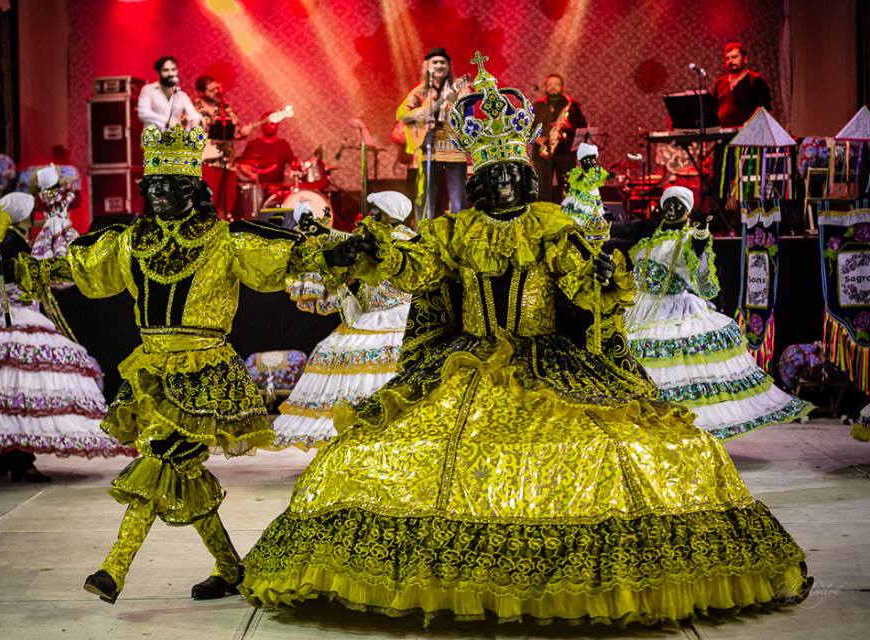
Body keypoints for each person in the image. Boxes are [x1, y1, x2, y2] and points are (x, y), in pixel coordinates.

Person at [241, 53, 810, 625]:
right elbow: (417, 267)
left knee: (622, 448)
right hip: (465, 362)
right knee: (380, 453)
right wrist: (376, 252)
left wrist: (602, 276)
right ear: (480, 182)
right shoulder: (452, 231)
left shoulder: (551, 225)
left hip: (549, 360)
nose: (506, 184)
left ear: (527, 176)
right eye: (495, 177)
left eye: (514, 174)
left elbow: (582, 284)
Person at [15, 123, 327, 605]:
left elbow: (286, 258)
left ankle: (114, 569)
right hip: (152, 370)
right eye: (153, 185)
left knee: (159, 459)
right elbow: (82, 268)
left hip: (205, 374)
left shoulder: (224, 240)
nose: (158, 192)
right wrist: (27, 267)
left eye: (169, 184)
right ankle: (231, 568)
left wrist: (333, 251)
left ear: (191, 189)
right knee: (181, 471)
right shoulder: (130, 241)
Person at [0, 193, 125, 482]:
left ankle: (13, 456)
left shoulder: (0, 238)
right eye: (31, 213)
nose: (34, 218)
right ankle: (20, 459)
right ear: (24, 215)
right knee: (24, 390)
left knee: (10, 391)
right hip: (16, 315)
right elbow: (25, 279)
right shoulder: (15, 242)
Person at [624, 186, 812, 439]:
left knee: (675, 369)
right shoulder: (650, 239)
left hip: (673, 312)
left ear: (687, 211)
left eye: (678, 205)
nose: (672, 209)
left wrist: (702, 234)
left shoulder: (689, 238)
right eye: (668, 204)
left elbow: (699, 254)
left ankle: (681, 428)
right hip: (641, 309)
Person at [273, 192, 416, 449]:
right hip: (371, 315)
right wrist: (319, 231)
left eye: (376, 211)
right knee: (333, 350)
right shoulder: (377, 238)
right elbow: (347, 240)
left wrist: (322, 232)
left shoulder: (403, 241)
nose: (370, 215)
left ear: (389, 214)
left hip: (396, 317)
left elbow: (356, 242)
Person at [396, 47, 471, 220]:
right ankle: (425, 232)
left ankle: (457, 231)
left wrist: (463, 105)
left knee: (458, 201)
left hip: (454, 148)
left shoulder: (459, 89)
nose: (439, 65)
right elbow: (401, 114)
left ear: (448, 66)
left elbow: (469, 116)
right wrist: (419, 114)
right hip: (429, 148)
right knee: (426, 200)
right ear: (427, 67)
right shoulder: (420, 91)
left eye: (442, 62)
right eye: (435, 62)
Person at [531, 72, 587, 203]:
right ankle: (544, 214)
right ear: (545, 87)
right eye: (550, 84)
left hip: (565, 153)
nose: (553, 87)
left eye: (556, 84)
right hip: (542, 152)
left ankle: (567, 213)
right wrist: (537, 138)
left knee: (567, 188)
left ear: (562, 87)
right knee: (542, 189)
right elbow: (527, 128)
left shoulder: (572, 105)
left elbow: (583, 127)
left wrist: (570, 126)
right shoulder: (538, 105)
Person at [710, 42, 772, 127]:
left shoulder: (755, 80)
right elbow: (714, 109)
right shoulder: (720, 83)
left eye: (734, 57)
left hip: (749, 131)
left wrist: (748, 124)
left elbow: (763, 107)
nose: (730, 61)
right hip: (725, 132)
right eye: (727, 58)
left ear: (745, 59)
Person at [136, 55, 202, 131]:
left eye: (173, 69)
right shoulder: (148, 89)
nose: (170, 73)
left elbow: (193, 114)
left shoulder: (182, 95)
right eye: (166, 70)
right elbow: (143, 113)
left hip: (174, 137)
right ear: (158, 72)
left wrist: (196, 120)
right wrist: (167, 121)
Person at [237, 112, 298, 185]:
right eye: (265, 123)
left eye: (272, 123)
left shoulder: (283, 144)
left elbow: (293, 163)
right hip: (257, 187)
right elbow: (242, 165)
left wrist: (296, 166)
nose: (268, 126)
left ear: (277, 125)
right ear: (261, 125)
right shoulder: (253, 144)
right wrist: (251, 175)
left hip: (278, 188)